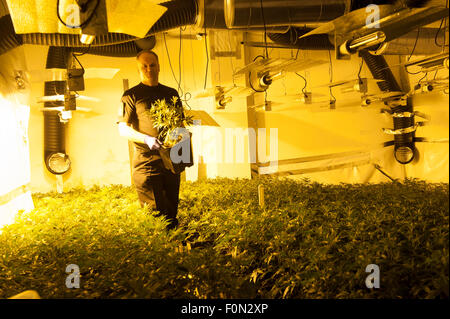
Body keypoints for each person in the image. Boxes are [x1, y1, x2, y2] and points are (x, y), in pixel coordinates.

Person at [117, 49, 183, 230]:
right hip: (147, 164)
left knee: (171, 214)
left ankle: (174, 252)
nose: (148, 69)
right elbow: (122, 129)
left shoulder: (171, 93)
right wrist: (146, 139)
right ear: (138, 69)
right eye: (144, 66)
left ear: (159, 66)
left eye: (152, 65)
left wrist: (181, 152)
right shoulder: (131, 95)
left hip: (171, 163)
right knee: (154, 216)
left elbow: (180, 126)